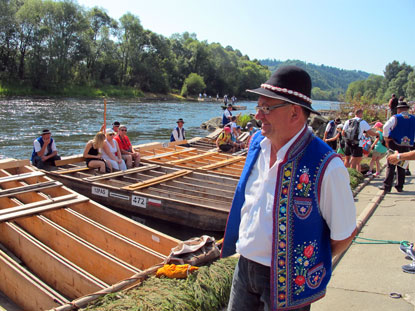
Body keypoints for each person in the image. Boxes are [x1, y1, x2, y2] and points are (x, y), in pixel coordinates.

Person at [221, 65, 357, 311]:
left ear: (294, 113)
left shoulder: (327, 166)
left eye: (266, 108)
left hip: (288, 284)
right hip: (244, 269)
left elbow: (345, 233)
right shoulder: (256, 144)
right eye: (258, 107)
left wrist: (305, 266)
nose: (258, 115)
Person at [380, 102, 415, 192]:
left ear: (399, 109)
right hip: (407, 143)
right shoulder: (413, 118)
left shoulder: (395, 117)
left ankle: (387, 186)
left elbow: (385, 127)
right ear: (407, 109)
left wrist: (386, 138)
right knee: (402, 165)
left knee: (391, 164)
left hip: (395, 142)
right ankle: (399, 186)